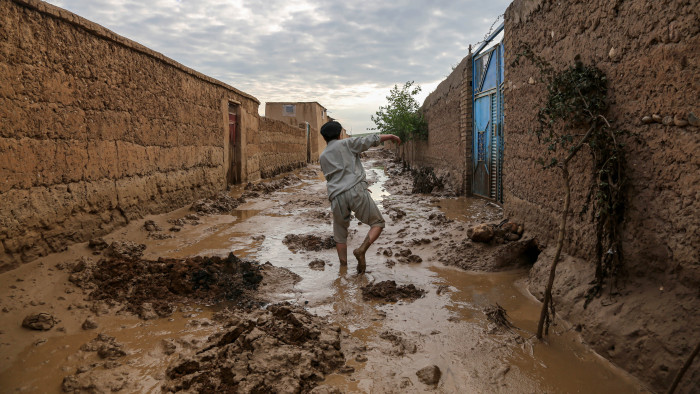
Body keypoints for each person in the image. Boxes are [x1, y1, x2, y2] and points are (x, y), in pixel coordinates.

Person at [319, 121, 401, 274]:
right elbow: (369, 140)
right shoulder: (347, 143)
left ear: (324, 138)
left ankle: (343, 270)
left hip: (336, 196)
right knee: (377, 223)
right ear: (340, 134)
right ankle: (361, 250)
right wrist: (389, 135)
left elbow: (333, 178)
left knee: (340, 234)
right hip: (356, 190)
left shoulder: (322, 156)